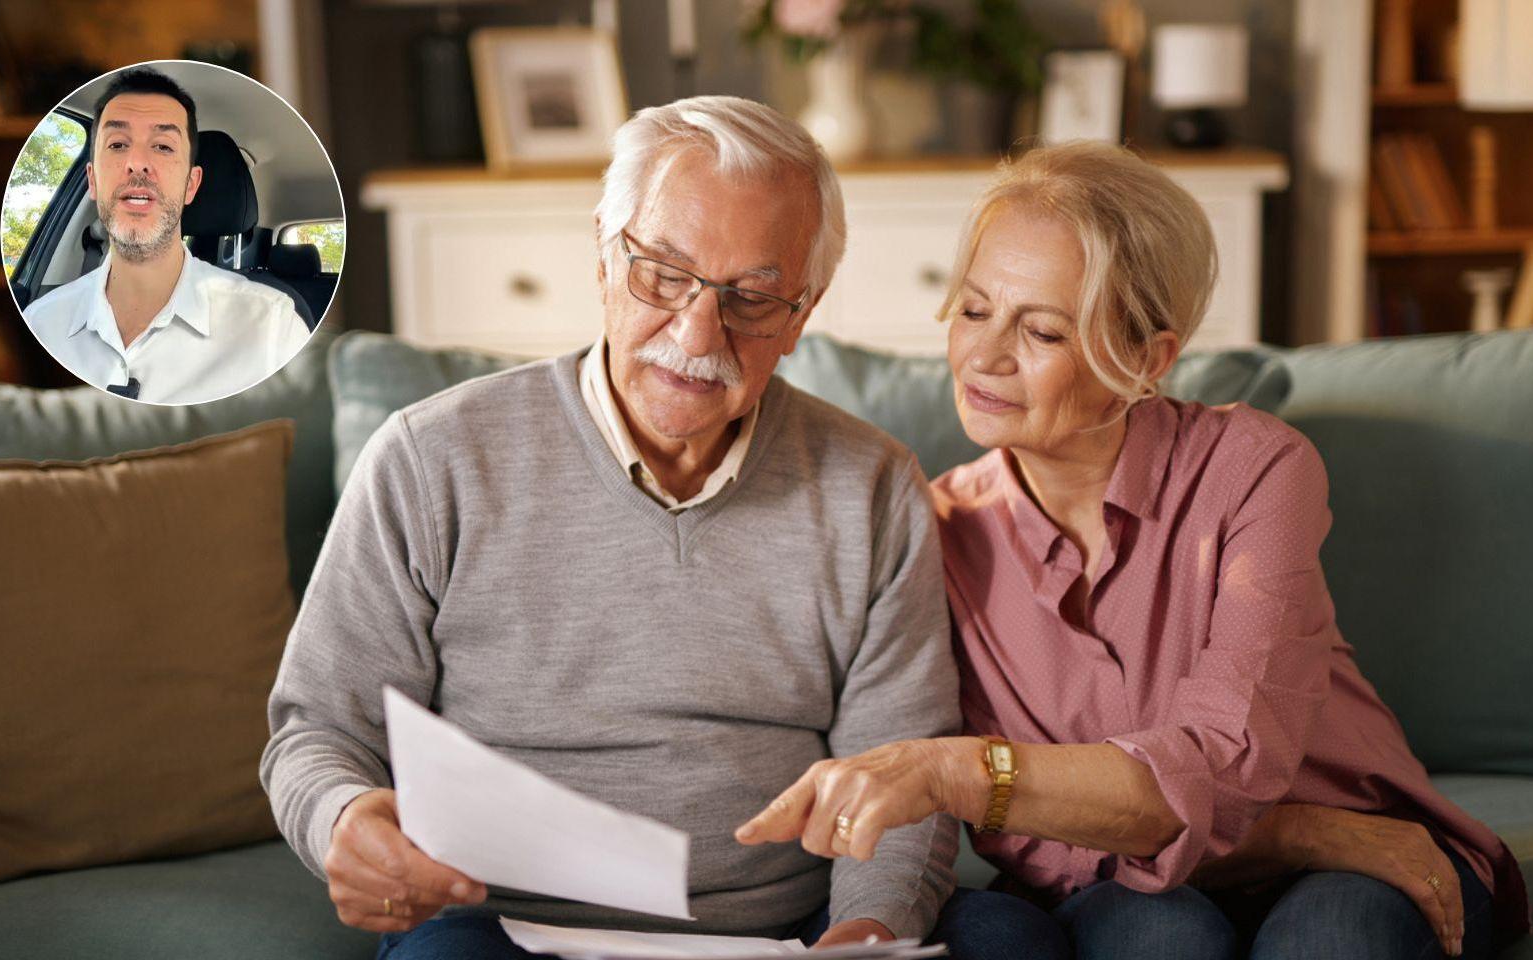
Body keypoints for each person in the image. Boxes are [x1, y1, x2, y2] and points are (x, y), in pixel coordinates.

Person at [262, 96, 1040, 959]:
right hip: (503, 929)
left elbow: (899, 775)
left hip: (789, 932)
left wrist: (864, 935)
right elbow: (320, 729)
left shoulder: (875, 486)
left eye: (753, 297)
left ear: (801, 314)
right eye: (663, 274)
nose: (697, 332)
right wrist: (344, 819)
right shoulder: (429, 458)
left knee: (1006, 941)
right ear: (604, 253)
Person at [737, 142, 1530, 960]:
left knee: (1332, 937)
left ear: (1148, 359)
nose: (985, 356)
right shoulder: (936, 531)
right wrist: (1301, 831)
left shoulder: (1256, 470)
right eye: (973, 311)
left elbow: (1226, 762)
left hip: (1360, 856)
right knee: (1159, 936)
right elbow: (1034, 847)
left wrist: (989, 780)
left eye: (1042, 330)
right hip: (1171, 876)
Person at [21, 66, 307, 405]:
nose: (137, 162)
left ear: (191, 185)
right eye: (118, 144)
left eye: (162, 146)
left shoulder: (273, 330)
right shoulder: (40, 323)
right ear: (93, 181)